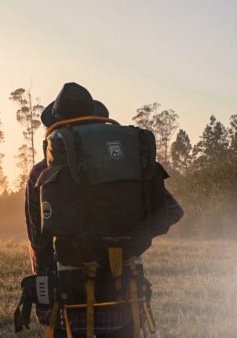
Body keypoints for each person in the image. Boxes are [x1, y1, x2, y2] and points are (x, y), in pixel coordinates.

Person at [23, 83, 183, 338]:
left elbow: (39, 243)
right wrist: (130, 238)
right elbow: (173, 211)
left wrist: (45, 298)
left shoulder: (42, 173)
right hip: (126, 297)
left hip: (70, 304)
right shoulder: (129, 164)